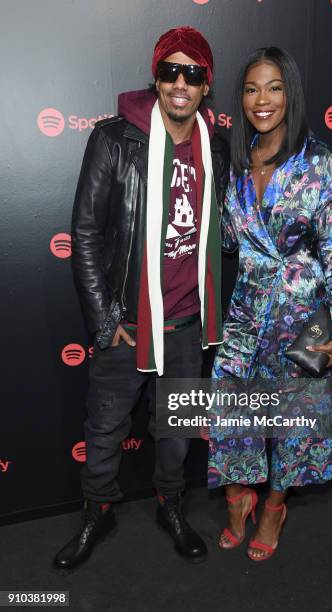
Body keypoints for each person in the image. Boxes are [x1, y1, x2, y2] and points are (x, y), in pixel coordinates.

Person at [53, 26, 229, 569]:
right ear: (156, 77)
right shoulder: (114, 139)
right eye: (170, 70)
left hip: (186, 323)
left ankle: (171, 507)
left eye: (193, 73)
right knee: (105, 430)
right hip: (128, 322)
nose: (181, 82)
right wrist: (106, 320)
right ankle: (96, 513)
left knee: (174, 434)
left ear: (206, 84)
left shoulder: (215, 148)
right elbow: (85, 233)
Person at [208, 47, 332, 562]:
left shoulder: (321, 163)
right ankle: (238, 495)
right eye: (251, 89)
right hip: (247, 306)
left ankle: (274, 506)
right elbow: (229, 239)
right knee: (231, 410)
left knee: (296, 421)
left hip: (299, 309)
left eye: (273, 87)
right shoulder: (234, 161)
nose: (262, 99)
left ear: (289, 93)